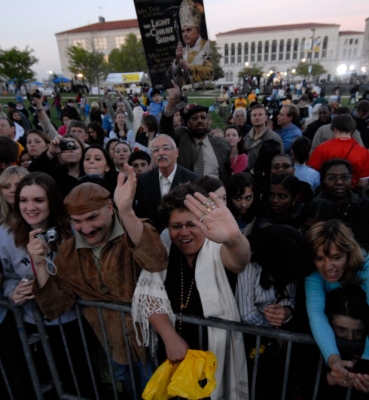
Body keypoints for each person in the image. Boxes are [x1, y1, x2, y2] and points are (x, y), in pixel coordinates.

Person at [30, 169, 168, 398]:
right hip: (114, 349)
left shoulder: (133, 230)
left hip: (155, 345)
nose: (86, 228)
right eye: (77, 221)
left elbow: (156, 261)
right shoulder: (68, 252)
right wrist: (40, 265)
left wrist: (127, 212)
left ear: (110, 209)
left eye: (92, 217)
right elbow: (55, 308)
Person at [132, 183, 250, 399]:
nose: (184, 232)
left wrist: (234, 239)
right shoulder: (164, 252)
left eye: (191, 224)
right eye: (176, 226)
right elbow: (149, 297)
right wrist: (170, 339)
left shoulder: (219, 248)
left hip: (214, 355)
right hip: (173, 353)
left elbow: (239, 261)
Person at [0, 172, 92, 398]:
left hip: (73, 323)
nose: (30, 207)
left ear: (52, 200)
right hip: (31, 324)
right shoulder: (6, 235)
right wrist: (13, 292)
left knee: (77, 384)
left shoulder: (74, 231)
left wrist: (42, 264)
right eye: (23, 200)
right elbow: (9, 274)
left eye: (38, 200)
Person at [305, 220, 369, 393]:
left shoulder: (366, 265)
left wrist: (365, 361)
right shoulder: (313, 272)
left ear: (349, 254)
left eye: (336, 257)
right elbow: (316, 312)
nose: (328, 267)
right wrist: (333, 361)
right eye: (320, 259)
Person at [160, 83, 230, 182]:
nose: (199, 121)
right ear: (188, 123)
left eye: (203, 117)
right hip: (188, 192)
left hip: (215, 193)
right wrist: (172, 101)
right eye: (195, 118)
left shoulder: (222, 145)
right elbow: (165, 130)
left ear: (209, 121)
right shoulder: (181, 137)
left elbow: (227, 174)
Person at [134, 134, 198, 232]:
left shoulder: (192, 179)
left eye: (166, 148)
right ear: (152, 156)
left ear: (176, 152)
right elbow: (141, 214)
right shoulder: (143, 180)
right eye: (156, 150)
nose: (161, 153)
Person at [309, 159, 369, 250]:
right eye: (331, 178)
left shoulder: (364, 206)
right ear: (322, 181)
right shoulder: (314, 208)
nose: (339, 182)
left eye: (345, 177)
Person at [308, 114, 369, 189]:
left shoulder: (321, 148)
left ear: (334, 129)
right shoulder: (363, 152)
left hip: (326, 193)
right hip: (351, 194)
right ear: (352, 131)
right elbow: (363, 182)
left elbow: (312, 174)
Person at [168, 0, 213, 86]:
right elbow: (173, 79)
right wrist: (177, 60)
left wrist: (189, 67)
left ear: (198, 32)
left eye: (189, 30)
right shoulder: (182, 51)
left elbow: (210, 71)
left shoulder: (207, 47)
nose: (185, 34)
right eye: (183, 31)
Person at [28, 134, 85, 198]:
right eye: (65, 147)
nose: (70, 150)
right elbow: (31, 172)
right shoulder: (54, 174)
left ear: (82, 151)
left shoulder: (88, 173)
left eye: (74, 147)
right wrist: (51, 153)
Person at [245, 104, 283, 170]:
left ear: (266, 117)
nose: (257, 117)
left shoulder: (273, 138)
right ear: (250, 118)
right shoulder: (247, 137)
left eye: (260, 115)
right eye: (254, 115)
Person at [226, 172, 256, 237]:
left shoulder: (258, 220)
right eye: (238, 199)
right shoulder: (222, 218)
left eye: (248, 198)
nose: (243, 204)